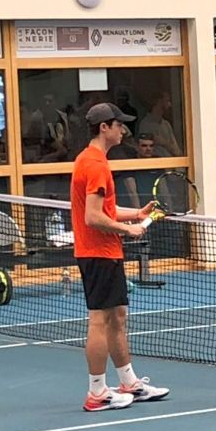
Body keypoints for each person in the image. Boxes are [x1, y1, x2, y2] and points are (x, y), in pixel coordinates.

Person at [71, 102, 169, 412]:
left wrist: (136, 214)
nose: (123, 130)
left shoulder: (91, 160)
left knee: (117, 317)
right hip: (97, 253)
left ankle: (129, 383)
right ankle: (97, 392)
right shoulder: (95, 165)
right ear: (104, 128)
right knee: (100, 321)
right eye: (118, 125)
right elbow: (92, 217)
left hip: (104, 252)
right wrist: (128, 230)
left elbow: (106, 210)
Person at [139, 91, 181, 157]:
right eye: (167, 100)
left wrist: (163, 142)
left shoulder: (166, 125)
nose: (170, 105)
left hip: (171, 162)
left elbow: (177, 151)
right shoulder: (145, 124)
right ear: (159, 101)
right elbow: (144, 152)